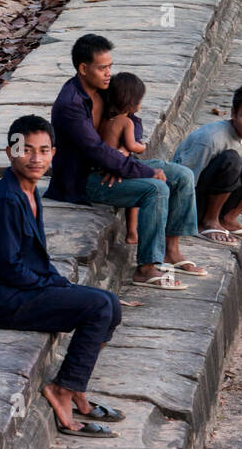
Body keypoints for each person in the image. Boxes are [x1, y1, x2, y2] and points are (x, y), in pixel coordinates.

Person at [0, 114, 123, 439]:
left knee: (111, 303)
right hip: (7, 302)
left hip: (26, 290)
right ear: (9, 152)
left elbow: (36, 261)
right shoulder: (6, 200)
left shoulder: (30, 191)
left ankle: (76, 388)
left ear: (54, 152)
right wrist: (51, 285)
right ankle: (62, 391)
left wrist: (58, 283)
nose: (35, 158)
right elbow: (7, 267)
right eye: (26, 150)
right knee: (97, 307)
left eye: (43, 150)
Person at [48, 34, 202, 288]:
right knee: (156, 189)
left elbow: (131, 115)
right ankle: (146, 267)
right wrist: (141, 170)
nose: (108, 73)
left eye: (110, 66)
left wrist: (124, 151)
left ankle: (171, 251)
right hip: (84, 179)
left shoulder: (104, 89)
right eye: (102, 68)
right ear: (83, 69)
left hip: (112, 165)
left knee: (183, 175)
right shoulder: (71, 105)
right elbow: (95, 150)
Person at [171, 84, 242, 250]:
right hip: (192, 201)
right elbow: (182, 180)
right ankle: (209, 221)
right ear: (233, 114)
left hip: (220, 196)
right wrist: (183, 221)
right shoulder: (211, 138)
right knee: (231, 159)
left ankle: (228, 218)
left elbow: (240, 176)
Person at [99, 71, 147, 246]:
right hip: (118, 164)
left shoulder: (105, 119)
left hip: (102, 163)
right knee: (138, 191)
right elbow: (132, 146)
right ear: (132, 103)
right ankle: (132, 232)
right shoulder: (126, 122)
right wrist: (143, 146)